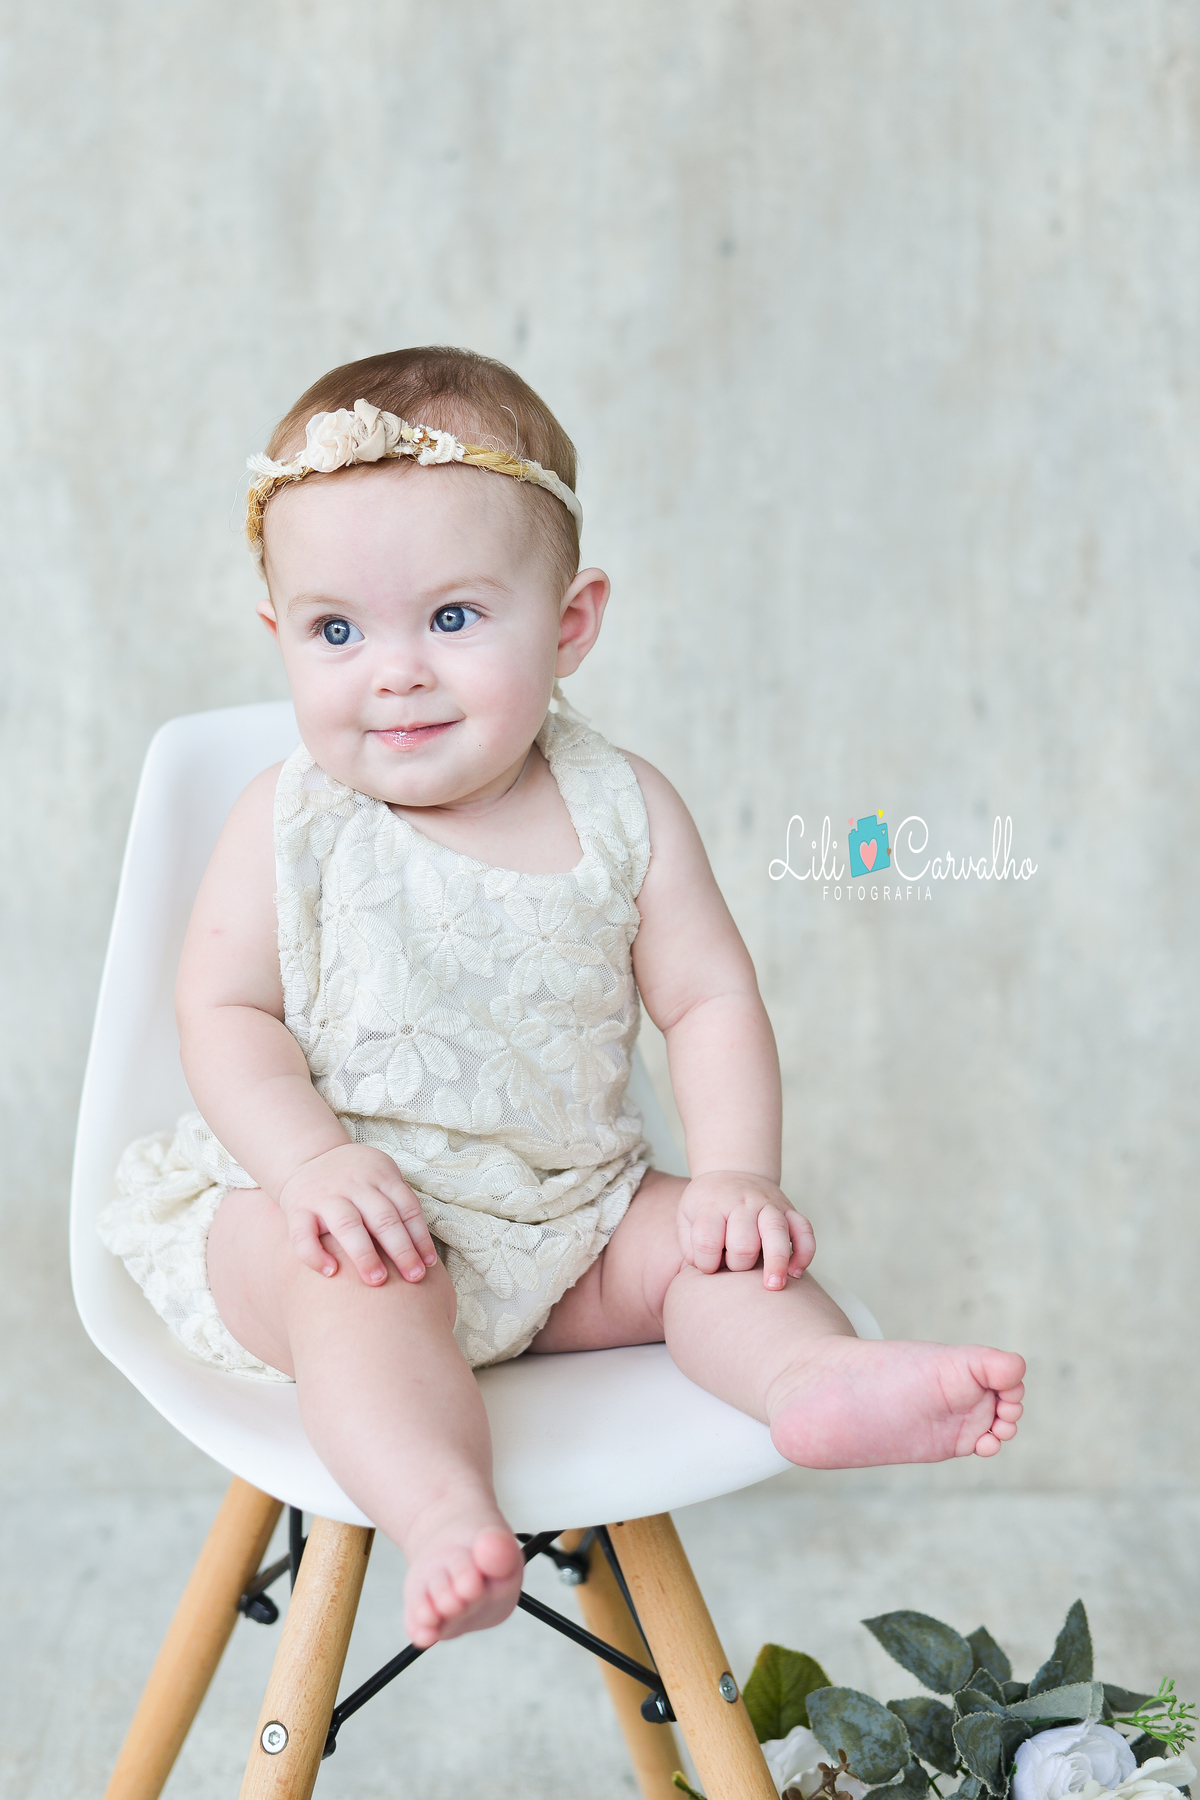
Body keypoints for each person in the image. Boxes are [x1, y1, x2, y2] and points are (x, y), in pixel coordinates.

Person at [100, 346, 1025, 1651]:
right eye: (336, 631)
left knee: (705, 1256)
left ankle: (810, 1380)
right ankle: (441, 1511)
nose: (395, 672)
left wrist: (737, 1178)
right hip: (330, 1212)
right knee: (355, 1293)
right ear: (279, 637)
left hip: (568, 1220)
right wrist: (307, 1166)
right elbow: (224, 1017)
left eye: (455, 618)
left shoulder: (622, 809)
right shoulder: (289, 820)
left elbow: (708, 1003)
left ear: (571, 621)